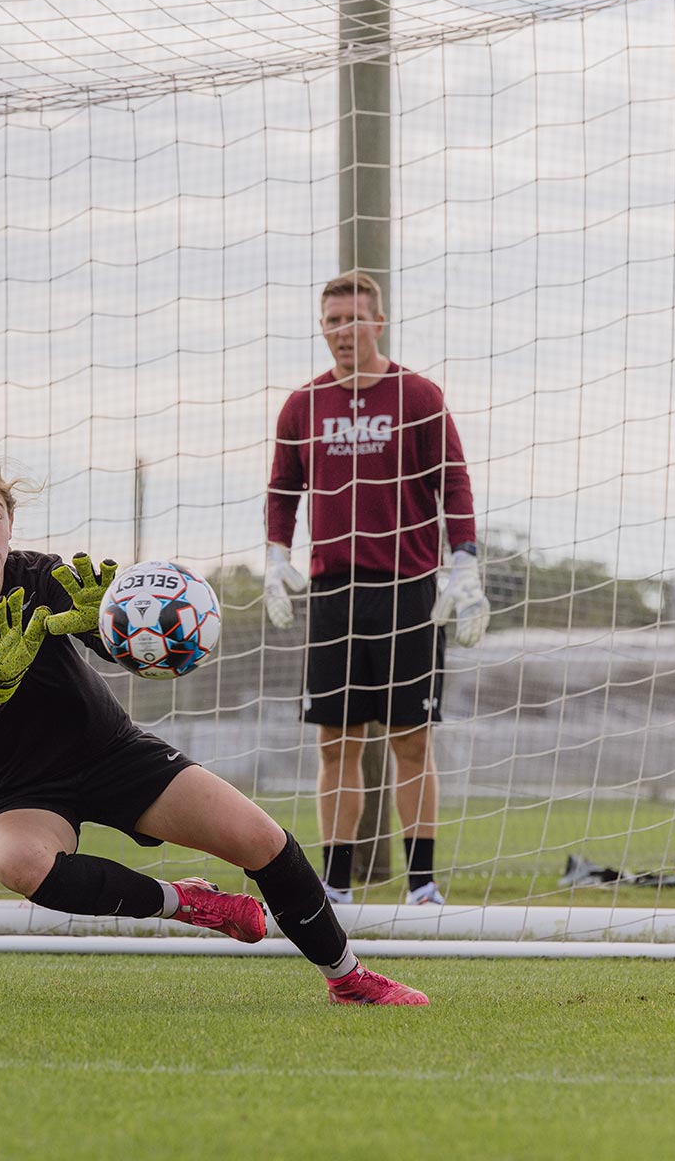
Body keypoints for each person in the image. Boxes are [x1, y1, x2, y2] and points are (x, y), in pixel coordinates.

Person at [0, 457, 429, 1005]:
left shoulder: (42, 576)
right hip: (10, 786)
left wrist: (112, 623)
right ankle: (185, 902)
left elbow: (128, 654)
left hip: (107, 752)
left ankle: (348, 977)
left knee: (263, 840)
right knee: (19, 864)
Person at [265, 271, 490, 907]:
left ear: (379, 322)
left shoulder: (418, 396)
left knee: (411, 740)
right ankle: (335, 884)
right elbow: (283, 491)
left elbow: (456, 484)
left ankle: (422, 884)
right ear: (323, 327)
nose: (343, 331)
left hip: (409, 588)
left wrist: (464, 560)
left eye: (354, 319)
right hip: (333, 591)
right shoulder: (302, 405)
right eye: (332, 321)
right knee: (336, 742)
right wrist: (277, 556)